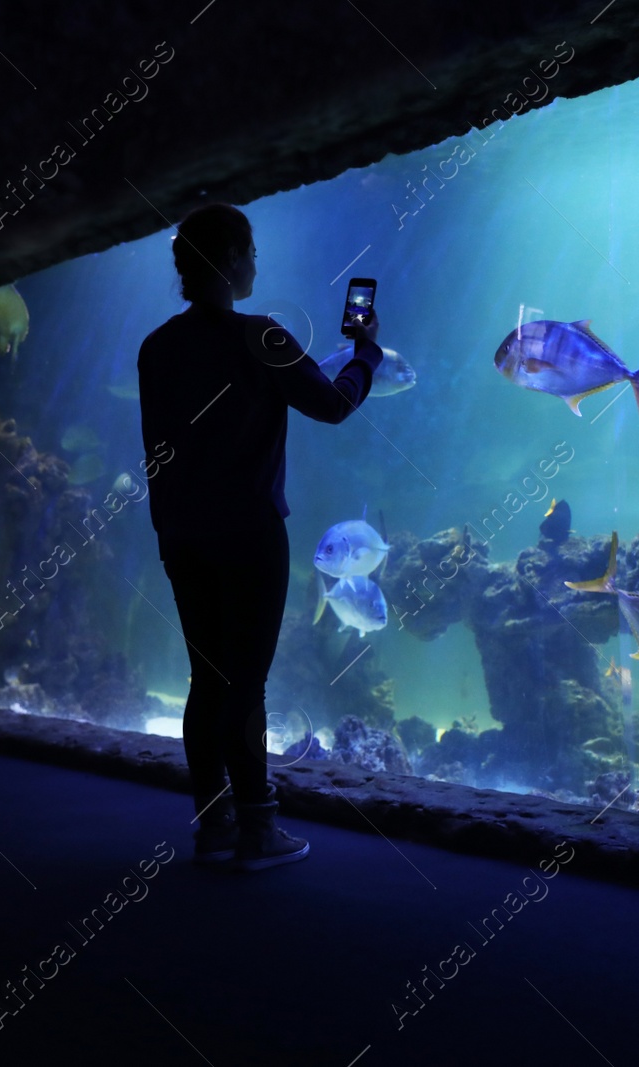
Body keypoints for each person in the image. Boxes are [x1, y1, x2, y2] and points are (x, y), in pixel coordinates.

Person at [137, 203, 383, 871]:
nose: (256, 263)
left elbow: (156, 451)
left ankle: (213, 823)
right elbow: (333, 405)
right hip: (249, 536)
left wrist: (168, 531)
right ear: (235, 260)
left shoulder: (156, 347)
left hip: (183, 536)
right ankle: (258, 830)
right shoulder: (261, 337)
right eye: (249, 250)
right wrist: (367, 355)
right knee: (246, 682)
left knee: (206, 680)